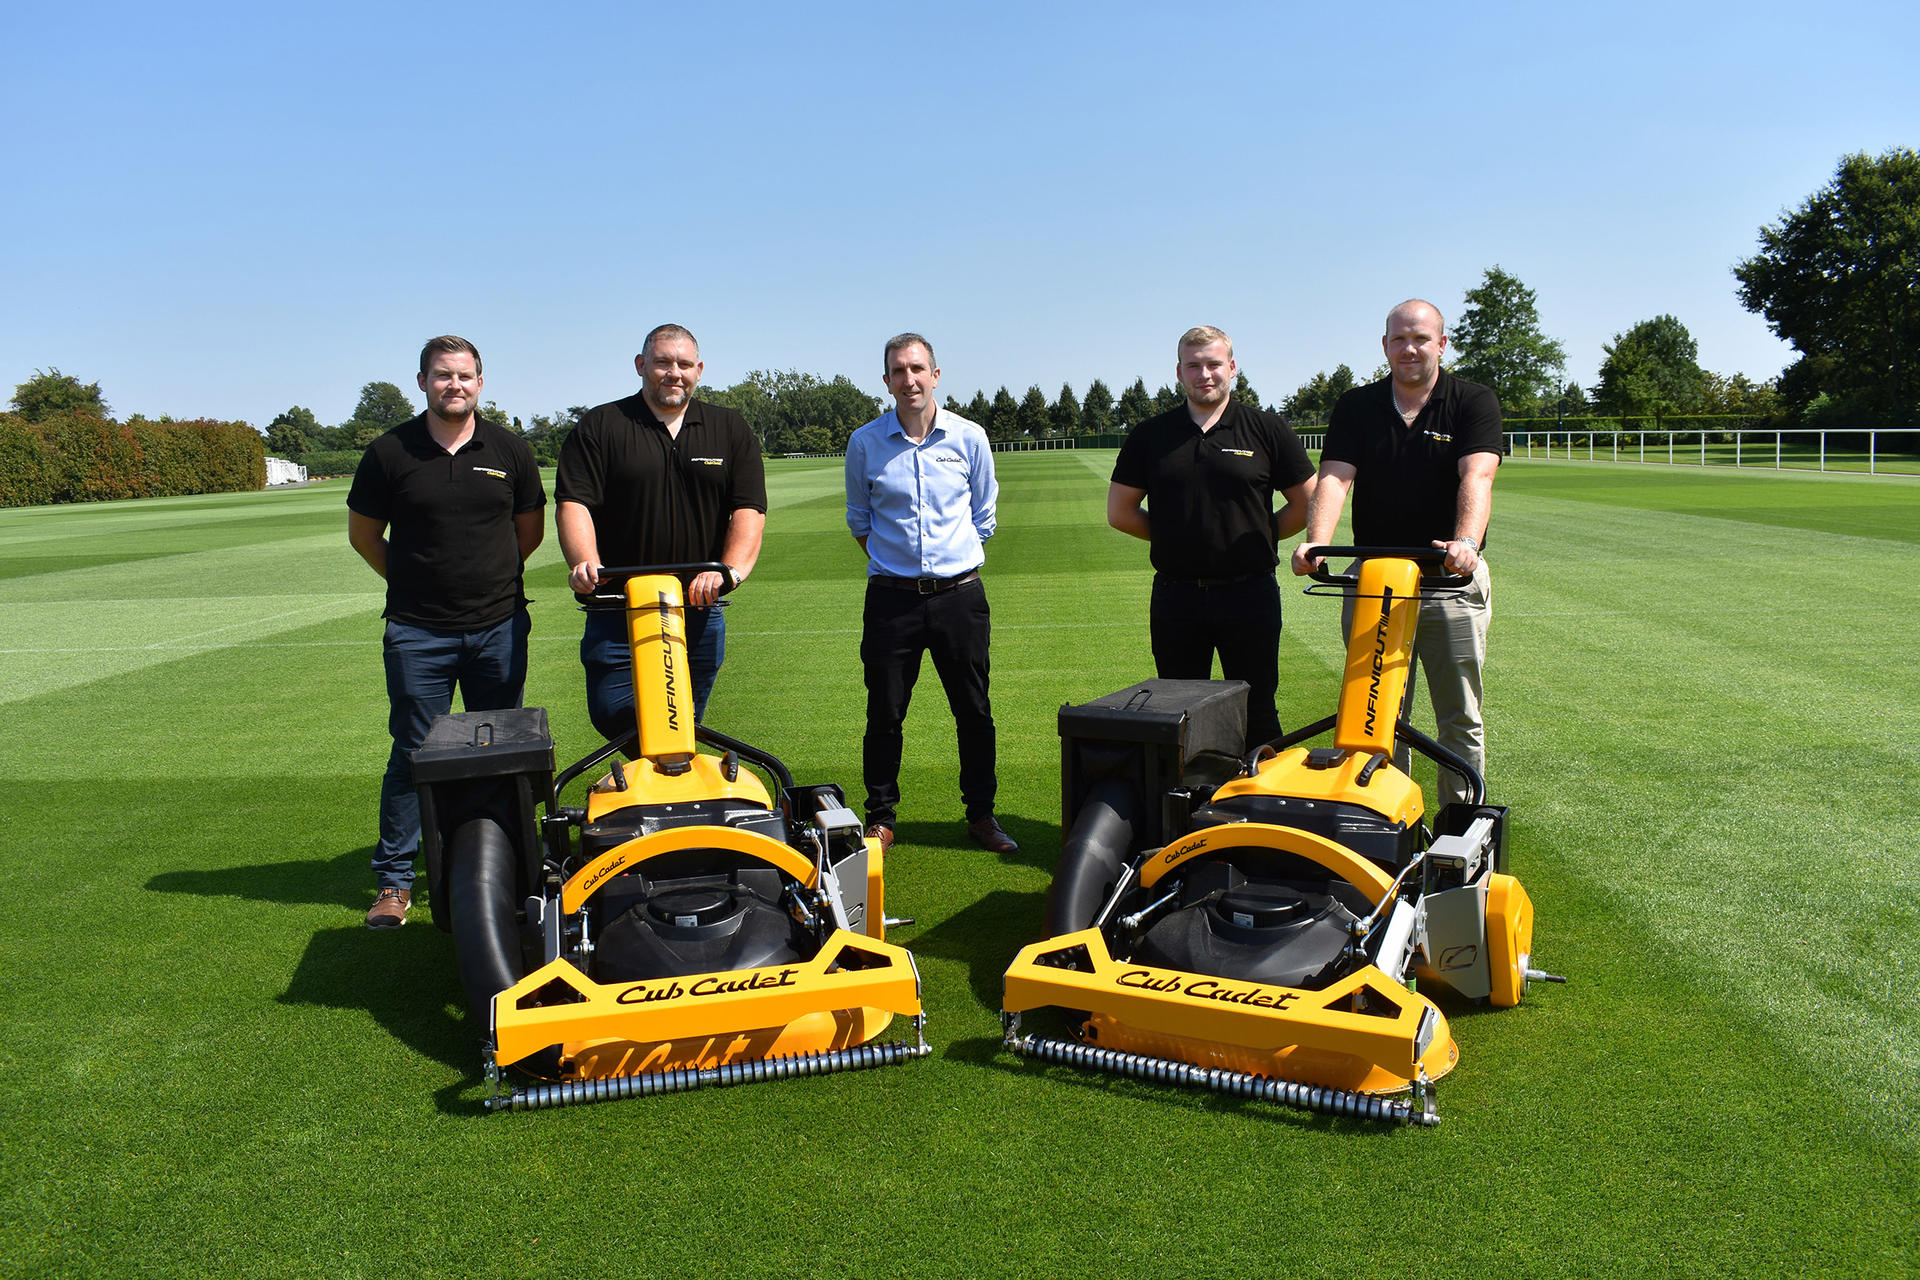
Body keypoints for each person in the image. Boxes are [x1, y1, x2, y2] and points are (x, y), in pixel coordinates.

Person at [347, 336, 546, 928]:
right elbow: (364, 538)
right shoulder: (388, 452)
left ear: (480, 382)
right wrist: (415, 585)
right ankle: (394, 882)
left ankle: (500, 867)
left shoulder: (509, 449)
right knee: (412, 752)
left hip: (499, 627)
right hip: (417, 633)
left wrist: (485, 585)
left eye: (463, 375)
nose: (453, 384)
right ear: (422, 381)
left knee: (498, 750)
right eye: (441, 375)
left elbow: (527, 535)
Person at [1291, 298, 1503, 807]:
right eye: (1400, 339)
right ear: (1385, 345)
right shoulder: (1357, 406)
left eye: (1421, 338)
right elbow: (1337, 478)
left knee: (1459, 717)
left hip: (1447, 580)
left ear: (1441, 344)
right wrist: (1317, 540)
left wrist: (1466, 544)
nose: (1410, 348)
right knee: (1377, 714)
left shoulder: (1472, 401)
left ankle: (1461, 828)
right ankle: (1387, 821)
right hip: (1377, 580)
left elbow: (1477, 475)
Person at [845, 333, 1016, 854]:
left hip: (959, 597)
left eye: (917, 368)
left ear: (935, 375)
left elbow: (983, 516)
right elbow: (860, 520)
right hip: (892, 599)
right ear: (887, 381)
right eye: (898, 371)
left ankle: (981, 816)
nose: (909, 379)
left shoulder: (969, 437)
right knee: (885, 712)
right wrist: (899, 564)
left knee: (974, 710)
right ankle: (880, 817)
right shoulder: (865, 443)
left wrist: (946, 563)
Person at [1107, 325, 1315, 748]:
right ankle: (1187, 811)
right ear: (1179, 372)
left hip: (1249, 593)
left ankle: (1261, 805)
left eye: (1214, 364)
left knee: (1258, 708)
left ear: (1232, 368)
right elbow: (1120, 512)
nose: (1205, 374)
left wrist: (1261, 534)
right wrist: (1174, 538)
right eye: (1194, 365)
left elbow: (1308, 503)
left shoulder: (1267, 429)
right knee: (1178, 712)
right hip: (1176, 597)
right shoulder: (1151, 435)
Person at [555, 324, 766, 741]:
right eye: (663, 362)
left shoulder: (729, 428)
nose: (674, 373)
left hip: (698, 606)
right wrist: (585, 560)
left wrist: (730, 571)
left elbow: (749, 510)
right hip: (618, 605)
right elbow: (574, 503)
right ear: (641, 365)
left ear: (699, 370)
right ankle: (659, 787)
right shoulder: (601, 426)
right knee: (614, 712)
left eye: (684, 364)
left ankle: (668, 798)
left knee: (684, 724)